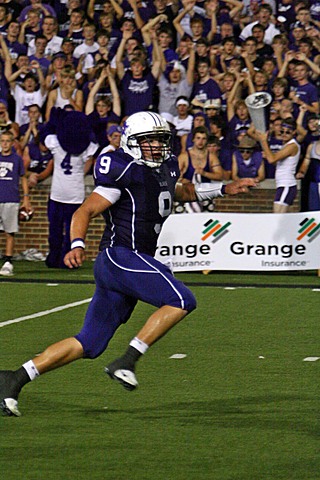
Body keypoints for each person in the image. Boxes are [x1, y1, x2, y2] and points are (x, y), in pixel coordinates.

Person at [0, 111, 256, 417]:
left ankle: (14, 379)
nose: (156, 146)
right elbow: (83, 212)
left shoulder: (166, 165)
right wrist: (77, 245)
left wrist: (225, 188)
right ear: (132, 142)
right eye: (148, 141)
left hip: (131, 261)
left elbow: (184, 191)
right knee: (181, 299)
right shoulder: (122, 168)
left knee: (90, 344)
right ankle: (128, 360)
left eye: (160, 140)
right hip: (120, 255)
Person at [42, 108, 98, 269]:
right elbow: (92, 150)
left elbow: (45, 132)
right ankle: (63, 259)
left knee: (59, 231)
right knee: (66, 232)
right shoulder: (88, 147)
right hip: (71, 193)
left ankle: (58, 257)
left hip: (61, 194)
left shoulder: (55, 143)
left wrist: (54, 120)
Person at [0, 130, 31, 277]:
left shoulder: (17, 159)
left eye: (7, 141)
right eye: (2, 141)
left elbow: (23, 178)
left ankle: (8, 261)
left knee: (9, 231)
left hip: (11, 199)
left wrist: (26, 197)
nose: (5, 143)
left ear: (12, 143)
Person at [256, 118, 301, 213]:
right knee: (280, 218)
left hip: (286, 184)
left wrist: (264, 141)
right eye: (282, 131)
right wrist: (269, 154)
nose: (284, 134)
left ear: (294, 132)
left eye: (287, 132)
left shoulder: (292, 146)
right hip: (282, 184)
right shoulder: (286, 145)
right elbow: (278, 163)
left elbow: (272, 160)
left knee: (277, 217)